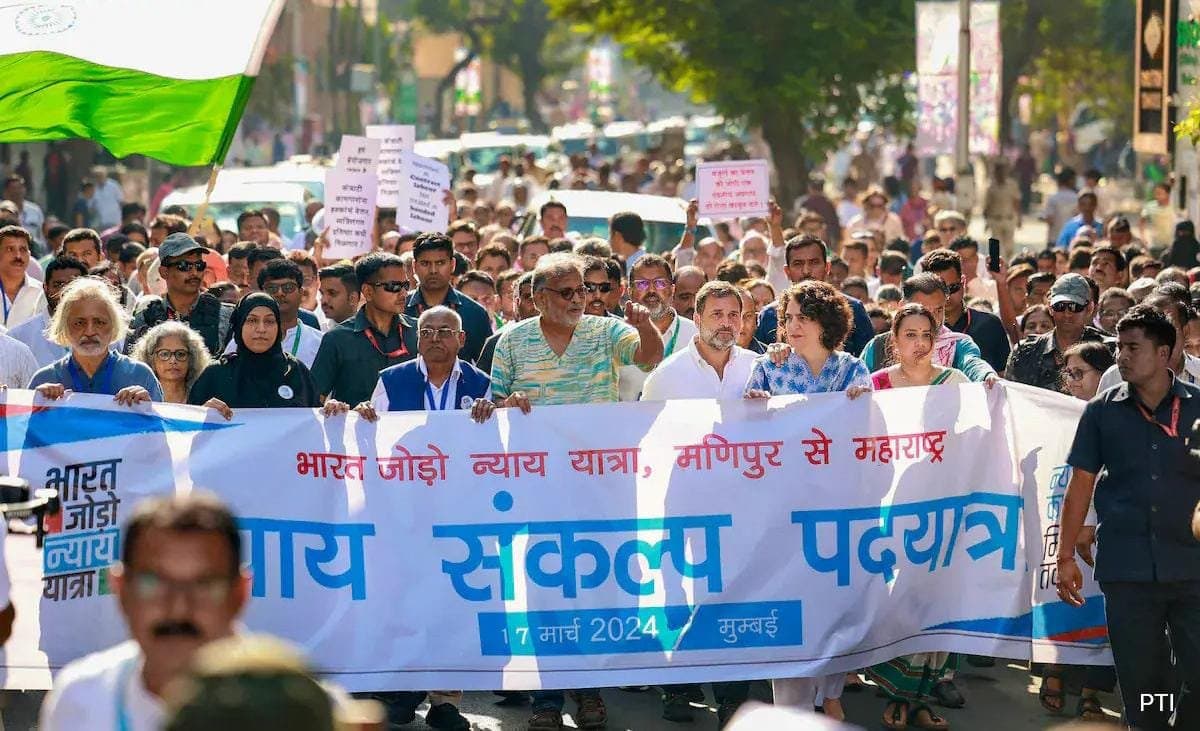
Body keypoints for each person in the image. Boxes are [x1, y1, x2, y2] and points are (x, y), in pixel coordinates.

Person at [490, 253, 663, 731]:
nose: (578, 300)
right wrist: (507, 404)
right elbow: (491, 402)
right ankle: (545, 697)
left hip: (596, 483)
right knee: (544, 588)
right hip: (537, 486)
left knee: (590, 585)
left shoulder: (607, 331)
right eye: (565, 292)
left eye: (582, 290)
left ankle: (589, 690)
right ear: (537, 297)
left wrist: (645, 325)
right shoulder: (512, 341)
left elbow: (649, 358)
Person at [1056, 305, 1200, 731]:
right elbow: (1080, 484)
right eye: (1119, 347)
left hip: (1192, 569)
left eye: (1133, 348)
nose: (1121, 356)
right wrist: (1065, 556)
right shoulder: (1101, 411)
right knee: (1144, 681)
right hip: (1128, 569)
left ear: (1164, 353)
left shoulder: (1198, 407)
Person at [743, 280, 869, 721]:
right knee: (789, 606)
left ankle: (830, 692)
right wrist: (754, 404)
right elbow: (747, 434)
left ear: (825, 322)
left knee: (833, 605)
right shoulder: (768, 368)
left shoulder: (852, 371)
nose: (792, 326)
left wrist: (861, 404)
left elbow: (868, 432)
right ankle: (792, 713)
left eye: (803, 317)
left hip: (836, 509)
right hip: (781, 511)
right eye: (788, 318)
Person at [640, 281, 760, 724]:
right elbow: (646, 440)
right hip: (681, 502)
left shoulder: (758, 368)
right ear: (698, 317)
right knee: (677, 593)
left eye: (735, 315)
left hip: (743, 507)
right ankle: (678, 686)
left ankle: (733, 692)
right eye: (717, 314)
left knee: (734, 595)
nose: (727, 324)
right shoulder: (667, 375)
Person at [39, 493, 250, 731]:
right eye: (153, 584)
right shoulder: (80, 699)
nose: (178, 607)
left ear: (240, 594)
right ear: (120, 589)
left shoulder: (290, 705)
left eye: (204, 585)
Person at [866, 303, 968, 731]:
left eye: (927, 335)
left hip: (944, 504)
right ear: (894, 341)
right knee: (900, 598)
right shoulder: (875, 385)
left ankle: (921, 699)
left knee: (937, 598)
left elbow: (974, 439)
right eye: (910, 335)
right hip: (893, 505)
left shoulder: (956, 384)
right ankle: (897, 697)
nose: (920, 344)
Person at [29, 277, 162, 402]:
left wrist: (149, 410)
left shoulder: (140, 376)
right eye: (79, 323)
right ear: (65, 328)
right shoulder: (44, 380)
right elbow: (23, 425)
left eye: (99, 322)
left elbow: (163, 426)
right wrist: (35, 408)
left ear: (114, 326)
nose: (90, 332)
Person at [310, 253, 417, 407]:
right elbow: (314, 400)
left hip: (408, 429)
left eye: (405, 285)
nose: (403, 293)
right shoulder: (337, 339)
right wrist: (333, 407)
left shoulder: (419, 332)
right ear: (367, 291)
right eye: (393, 286)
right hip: (355, 430)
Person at [189, 294, 323, 415]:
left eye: (269, 321)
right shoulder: (216, 374)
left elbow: (315, 426)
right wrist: (202, 413)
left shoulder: (295, 371)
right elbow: (189, 432)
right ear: (239, 325)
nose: (261, 329)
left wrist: (332, 413)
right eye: (252, 321)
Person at [860, 274, 998, 384]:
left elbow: (972, 364)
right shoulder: (877, 346)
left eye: (938, 310)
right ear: (902, 307)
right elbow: (859, 382)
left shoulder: (958, 345)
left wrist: (987, 375)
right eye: (923, 310)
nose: (932, 319)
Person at [759, 231, 874, 356]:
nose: (806, 271)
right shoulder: (769, 315)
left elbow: (868, 363)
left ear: (827, 268)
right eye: (798, 264)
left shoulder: (853, 309)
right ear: (787, 271)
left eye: (814, 262)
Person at [127, 233, 233, 358]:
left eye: (199, 266)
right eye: (184, 266)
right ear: (164, 272)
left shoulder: (225, 316)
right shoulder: (146, 319)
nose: (194, 272)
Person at [1006, 273, 1108, 393]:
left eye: (1075, 307)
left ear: (1089, 308)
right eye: (1060, 306)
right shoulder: (1025, 352)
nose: (1067, 313)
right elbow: (1012, 397)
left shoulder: (1107, 349)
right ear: (1050, 307)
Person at [619, 254, 698, 400]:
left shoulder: (696, 335)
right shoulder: (617, 335)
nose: (651, 291)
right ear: (630, 291)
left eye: (660, 283)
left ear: (672, 290)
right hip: (630, 421)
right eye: (642, 284)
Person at [405, 232, 491, 364]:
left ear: (452, 265)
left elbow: (485, 368)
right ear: (414, 266)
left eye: (440, 263)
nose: (433, 270)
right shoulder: (399, 309)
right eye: (425, 263)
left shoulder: (474, 313)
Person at [920, 250, 1010, 373]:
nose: (947, 297)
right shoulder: (918, 330)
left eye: (952, 288)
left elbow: (1003, 377)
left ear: (963, 282)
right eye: (939, 290)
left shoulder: (990, 324)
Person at [224, 259, 324, 368]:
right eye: (272, 288)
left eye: (288, 287)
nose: (280, 293)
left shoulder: (321, 343)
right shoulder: (240, 343)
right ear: (261, 293)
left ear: (301, 293)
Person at [1096, 289, 1200, 390]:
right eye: (1151, 331)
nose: (1160, 338)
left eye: (1168, 329)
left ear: (1185, 331)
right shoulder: (1114, 377)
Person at [9, 255, 88, 366]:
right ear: (45, 288)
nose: (64, 291)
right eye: (58, 285)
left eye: (73, 285)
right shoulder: (19, 337)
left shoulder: (104, 331)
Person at [130, 321, 211, 404]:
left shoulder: (204, 399)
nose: (173, 360)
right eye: (164, 354)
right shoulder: (138, 399)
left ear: (191, 359)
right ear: (150, 359)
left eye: (181, 354)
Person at [0, 225, 47, 330]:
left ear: (29, 254)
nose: (18, 256)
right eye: (10, 249)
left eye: (23, 249)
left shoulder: (42, 293)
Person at [983, 163, 1021, 251]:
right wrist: (987, 222)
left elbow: (1016, 202)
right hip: (995, 220)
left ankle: (1007, 263)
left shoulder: (1012, 185)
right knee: (997, 247)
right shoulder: (991, 187)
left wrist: (1019, 218)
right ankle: (997, 264)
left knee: (1009, 247)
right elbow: (987, 206)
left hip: (1009, 218)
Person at [316, 263, 359, 329]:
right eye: (322, 293)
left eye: (332, 293)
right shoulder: (319, 331)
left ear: (352, 298)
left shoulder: (374, 333)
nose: (324, 300)